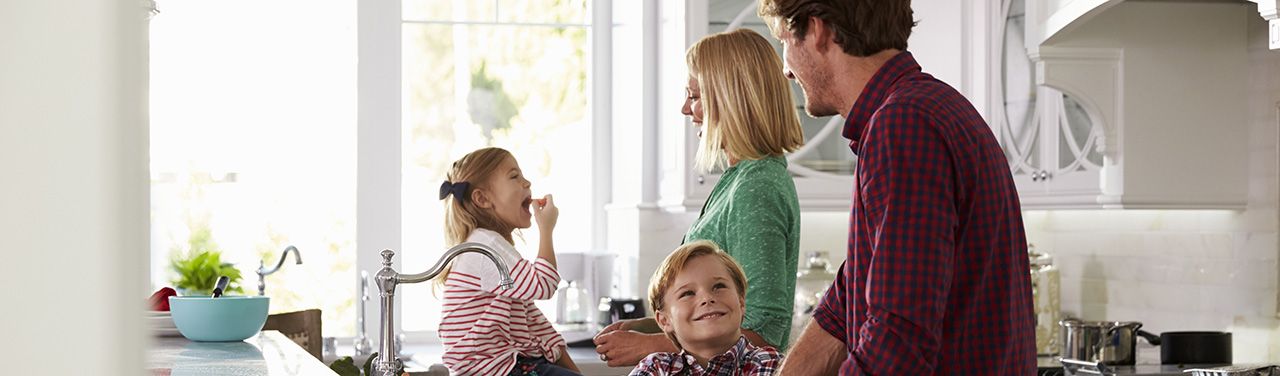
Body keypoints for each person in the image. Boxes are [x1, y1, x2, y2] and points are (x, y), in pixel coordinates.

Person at [754, 0, 1036, 375]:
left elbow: (898, 337)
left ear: (818, 31)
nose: (787, 69)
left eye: (785, 41)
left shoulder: (903, 124)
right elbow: (850, 292)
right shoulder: (922, 108)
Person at [594, 28, 805, 367]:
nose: (684, 109)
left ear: (730, 99)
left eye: (694, 96)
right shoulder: (739, 179)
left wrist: (650, 345)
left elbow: (763, 328)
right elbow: (724, 310)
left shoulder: (756, 188)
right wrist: (650, 325)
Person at [434, 147, 581, 376]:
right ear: (482, 199)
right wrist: (546, 229)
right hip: (495, 370)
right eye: (514, 176)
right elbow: (543, 285)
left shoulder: (495, 248)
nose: (527, 182)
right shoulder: (486, 247)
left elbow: (535, 322)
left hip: (507, 365)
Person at [628, 240, 782, 376]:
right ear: (664, 320)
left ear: (741, 303)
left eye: (719, 286)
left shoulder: (771, 365)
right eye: (687, 293)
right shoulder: (655, 368)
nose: (707, 298)